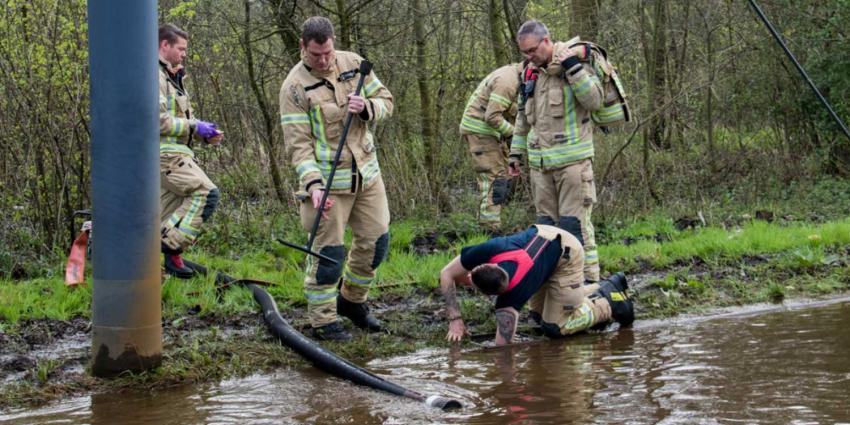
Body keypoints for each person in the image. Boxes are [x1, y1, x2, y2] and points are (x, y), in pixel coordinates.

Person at [279, 17, 394, 341]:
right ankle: (323, 321)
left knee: (376, 244)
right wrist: (314, 186)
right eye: (317, 55)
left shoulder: (354, 63)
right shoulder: (293, 88)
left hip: (368, 176)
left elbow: (387, 102)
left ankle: (352, 302)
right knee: (328, 256)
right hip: (328, 187)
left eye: (328, 52)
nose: (325, 60)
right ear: (303, 47)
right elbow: (298, 147)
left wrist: (369, 107)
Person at [508, 20, 604, 282]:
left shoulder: (575, 61)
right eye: (524, 53)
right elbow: (523, 118)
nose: (528, 57)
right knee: (546, 230)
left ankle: (589, 284)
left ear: (547, 41)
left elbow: (594, 101)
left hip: (574, 166)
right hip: (541, 167)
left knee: (576, 228)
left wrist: (573, 69)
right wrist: (515, 154)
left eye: (531, 51)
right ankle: (558, 284)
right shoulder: (531, 73)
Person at [439, 224, 633, 345]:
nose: (467, 279)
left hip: (567, 254)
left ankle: (608, 300)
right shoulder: (489, 251)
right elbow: (446, 273)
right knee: (537, 318)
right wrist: (455, 319)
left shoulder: (511, 299)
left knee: (554, 327)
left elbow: (502, 348)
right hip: (544, 244)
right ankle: (595, 288)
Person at [158, 24, 223, 279]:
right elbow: (157, 121)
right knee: (206, 193)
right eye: (181, 48)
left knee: (161, 218)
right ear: (165, 45)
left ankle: (154, 274)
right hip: (165, 157)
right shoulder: (154, 76)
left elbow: (183, 119)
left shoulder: (173, 77)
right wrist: (195, 126)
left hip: (177, 155)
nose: (184, 54)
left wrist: (205, 134)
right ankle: (170, 248)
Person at [459, 63, 523, 234]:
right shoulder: (508, 81)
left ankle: (490, 223)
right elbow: (492, 116)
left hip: (486, 131)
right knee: (495, 179)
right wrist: (516, 134)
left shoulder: (511, 76)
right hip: (481, 131)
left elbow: (506, 106)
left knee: (501, 176)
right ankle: (490, 230)